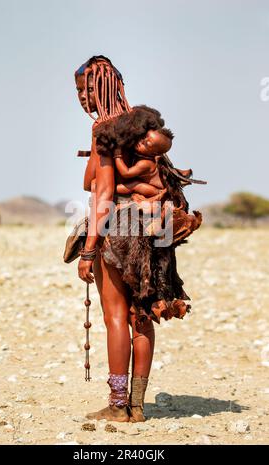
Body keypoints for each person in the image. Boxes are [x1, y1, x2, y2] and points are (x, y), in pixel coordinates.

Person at [74, 55, 204, 423]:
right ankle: (138, 406)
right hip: (155, 232)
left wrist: (88, 250)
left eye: (84, 89)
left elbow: (100, 193)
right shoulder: (143, 131)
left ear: (99, 88)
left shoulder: (105, 129)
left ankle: (117, 405)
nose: (82, 97)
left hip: (119, 229)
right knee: (142, 316)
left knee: (116, 317)